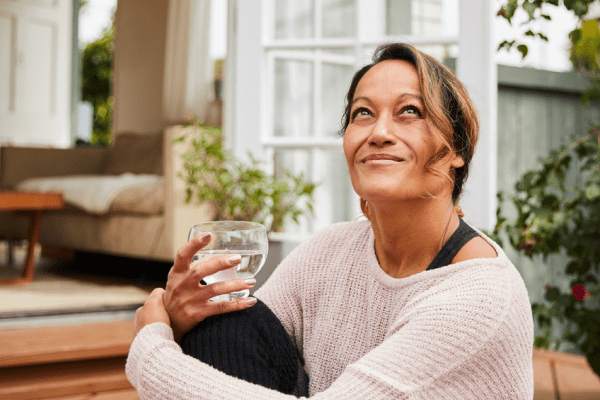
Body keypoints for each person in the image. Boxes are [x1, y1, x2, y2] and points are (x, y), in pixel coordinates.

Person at [126, 43, 534, 399]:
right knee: (222, 318)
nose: (380, 132)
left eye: (410, 111)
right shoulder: (330, 252)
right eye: (363, 113)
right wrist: (182, 319)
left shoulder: (479, 300)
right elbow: (235, 348)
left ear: (457, 149)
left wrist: (153, 351)